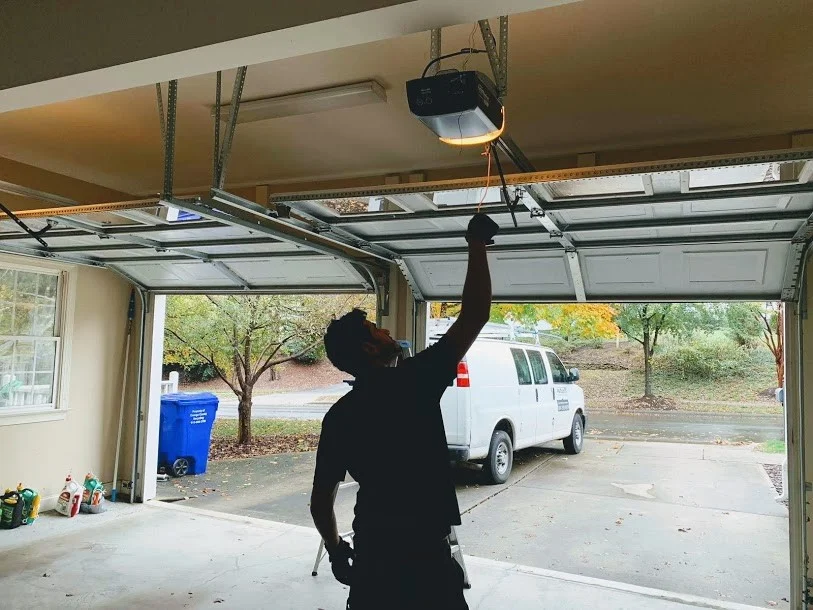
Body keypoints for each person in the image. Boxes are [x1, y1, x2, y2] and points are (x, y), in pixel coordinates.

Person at [310, 213, 499, 610]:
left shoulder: (340, 415)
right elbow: (475, 314)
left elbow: (320, 499)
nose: (387, 333)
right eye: (378, 331)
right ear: (368, 348)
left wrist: (335, 546)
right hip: (426, 559)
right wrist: (476, 244)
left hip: (374, 560)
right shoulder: (416, 382)